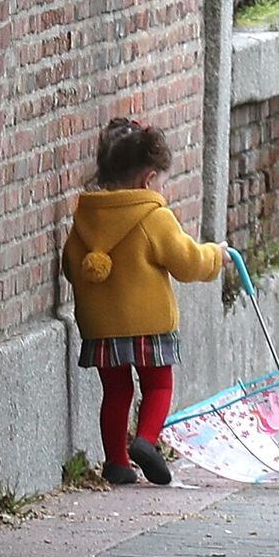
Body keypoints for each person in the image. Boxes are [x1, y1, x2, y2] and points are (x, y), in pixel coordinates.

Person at [62, 117, 230, 486]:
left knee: (116, 391)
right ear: (148, 179)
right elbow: (187, 263)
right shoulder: (155, 217)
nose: (164, 190)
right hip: (149, 324)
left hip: (102, 326)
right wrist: (216, 256)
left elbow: (72, 267)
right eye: (163, 182)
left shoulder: (84, 219)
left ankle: (117, 463)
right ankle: (146, 441)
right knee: (158, 386)